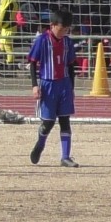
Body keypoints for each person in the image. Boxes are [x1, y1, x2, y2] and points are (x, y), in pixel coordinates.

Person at [28, 9, 79, 167]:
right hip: (48, 84)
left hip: (64, 84)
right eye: (62, 28)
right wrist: (35, 85)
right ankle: (40, 142)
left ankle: (65, 157)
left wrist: (71, 88)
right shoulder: (42, 40)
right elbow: (32, 62)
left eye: (67, 29)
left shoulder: (67, 42)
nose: (64, 32)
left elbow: (71, 67)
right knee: (48, 122)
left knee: (65, 120)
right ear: (52, 26)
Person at [0, 0, 18, 67]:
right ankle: (6, 62)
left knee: (7, 45)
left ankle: (10, 64)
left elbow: (4, 12)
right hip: (7, 25)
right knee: (2, 45)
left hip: (6, 25)